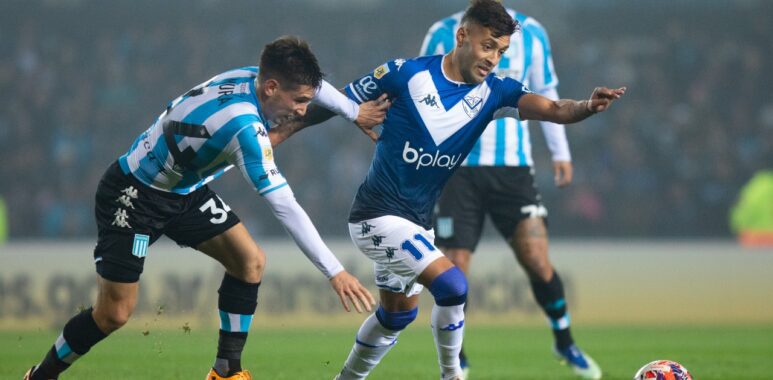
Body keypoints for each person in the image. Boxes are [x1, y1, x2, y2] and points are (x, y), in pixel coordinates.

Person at [271, 1, 624, 378]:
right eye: (488, 46)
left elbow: (554, 108)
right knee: (454, 284)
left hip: (417, 223)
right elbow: (338, 101)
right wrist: (281, 132)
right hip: (376, 216)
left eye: (501, 51)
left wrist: (587, 105)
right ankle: (452, 375)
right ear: (462, 36)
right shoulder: (404, 73)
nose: (494, 59)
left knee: (396, 315)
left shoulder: (496, 93)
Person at [23, 36, 385, 380]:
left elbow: (316, 88)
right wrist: (335, 272)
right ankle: (44, 374)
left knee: (250, 262)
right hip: (133, 195)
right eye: (299, 99)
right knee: (114, 314)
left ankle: (226, 370)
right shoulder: (242, 125)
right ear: (272, 88)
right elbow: (285, 206)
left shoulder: (251, 76)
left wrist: (353, 112)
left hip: (183, 190)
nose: (303, 108)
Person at [420, 2, 602, 379]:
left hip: (513, 169)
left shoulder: (531, 32)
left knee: (536, 258)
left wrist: (560, 151)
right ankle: (457, 359)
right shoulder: (442, 31)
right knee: (455, 268)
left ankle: (564, 340)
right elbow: (421, 94)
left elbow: (547, 91)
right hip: (457, 170)